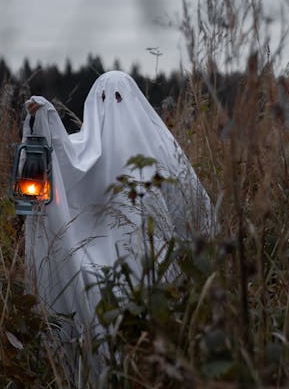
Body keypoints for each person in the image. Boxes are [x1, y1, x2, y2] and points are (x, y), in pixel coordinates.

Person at [22, 70, 213, 336]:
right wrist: (44, 117)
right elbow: (61, 155)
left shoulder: (158, 149)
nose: (112, 107)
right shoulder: (86, 151)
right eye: (104, 99)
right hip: (97, 269)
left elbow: (190, 202)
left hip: (153, 265)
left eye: (119, 98)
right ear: (93, 104)